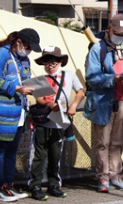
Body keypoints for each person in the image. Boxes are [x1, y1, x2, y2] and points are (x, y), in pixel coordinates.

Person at [84, 14, 123, 193]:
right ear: (109, 29)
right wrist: (112, 79)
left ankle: (115, 175)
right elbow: (92, 78)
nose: (121, 37)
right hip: (102, 103)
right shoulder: (97, 48)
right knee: (102, 142)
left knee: (118, 141)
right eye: (118, 33)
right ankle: (103, 176)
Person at [0, 28, 41, 202]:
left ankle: (9, 185)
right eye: (28, 46)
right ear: (18, 42)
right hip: (2, 111)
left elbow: (25, 79)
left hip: (19, 110)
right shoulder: (1, 54)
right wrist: (17, 88)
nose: (29, 51)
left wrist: (33, 88)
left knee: (11, 151)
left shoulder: (24, 59)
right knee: (0, 150)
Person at [28, 46, 84, 201]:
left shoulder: (70, 75)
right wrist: (48, 104)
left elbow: (81, 91)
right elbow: (38, 98)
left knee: (55, 154)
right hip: (44, 121)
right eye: (47, 62)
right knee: (39, 155)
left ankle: (54, 184)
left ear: (60, 61)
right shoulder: (41, 79)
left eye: (53, 61)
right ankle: (36, 185)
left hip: (60, 121)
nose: (50, 65)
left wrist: (73, 105)